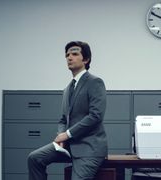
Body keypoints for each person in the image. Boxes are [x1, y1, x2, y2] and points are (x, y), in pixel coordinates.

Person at [27, 41, 107, 180]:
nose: (69, 57)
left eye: (75, 54)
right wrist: (61, 136)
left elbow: (95, 116)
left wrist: (67, 134)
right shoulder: (67, 89)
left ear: (86, 59)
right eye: (67, 55)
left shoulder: (95, 82)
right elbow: (63, 119)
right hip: (67, 146)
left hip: (88, 148)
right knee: (34, 158)